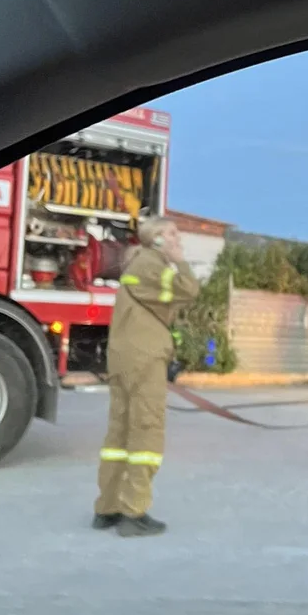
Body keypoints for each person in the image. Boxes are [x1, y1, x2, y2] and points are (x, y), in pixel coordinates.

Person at [94, 216, 200, 537]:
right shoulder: (152, 265)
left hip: (126, 356)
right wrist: (181, 263)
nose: (177, 239)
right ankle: (133, 512)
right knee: (146, 432)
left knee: (120, 434)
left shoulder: (139, 264)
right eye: (171, 234)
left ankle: (108, 508)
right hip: (144, 358)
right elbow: (188, 290)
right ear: (155, 239)